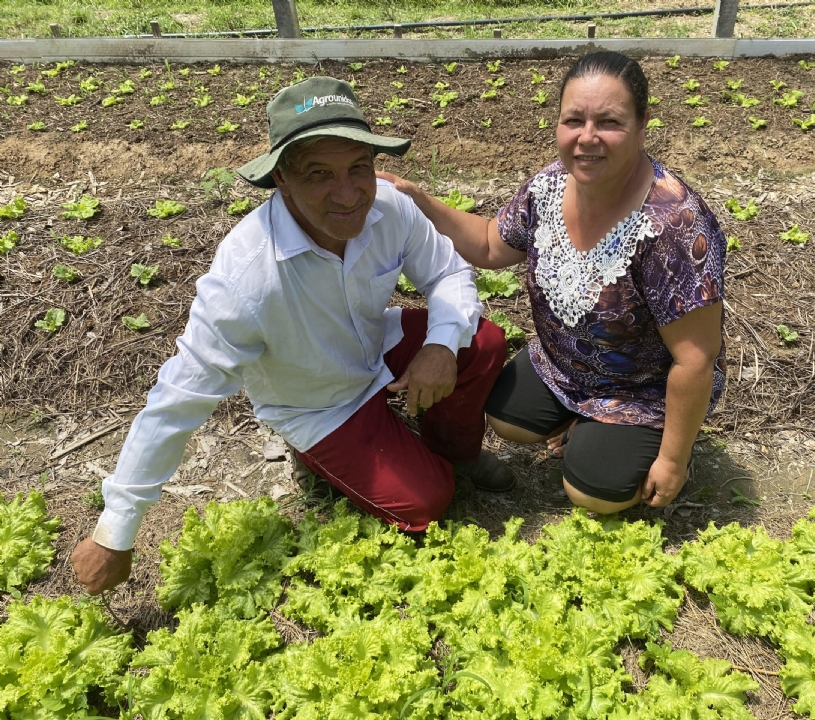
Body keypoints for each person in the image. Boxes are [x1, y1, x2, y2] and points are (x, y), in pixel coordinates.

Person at [71, 77, 514, 595]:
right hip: (319, 403)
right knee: (428, 500)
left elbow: (447, 274)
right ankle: (328, 456)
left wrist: (439, 347)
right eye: (319, 174)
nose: (348, 194)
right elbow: (177, 400)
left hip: (373, 348)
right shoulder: (245, 277)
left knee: (479, 343)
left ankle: (454, 451)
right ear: (282, 179)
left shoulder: (390, 208)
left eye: (359, 168)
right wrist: (115, 531)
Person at [381, 51, 726, 514]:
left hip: (641, 389)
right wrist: (421, 200)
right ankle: (582, 423)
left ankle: (628, 436)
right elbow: (489, 244)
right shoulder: (549, 185)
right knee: (507, 420)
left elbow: (695, 359)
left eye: (609, 121)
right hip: (566, 367)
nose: (587, 138)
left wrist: (673, 458)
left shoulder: (673, 226)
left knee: (593, 492)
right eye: (573, 120)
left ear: (644, 123)